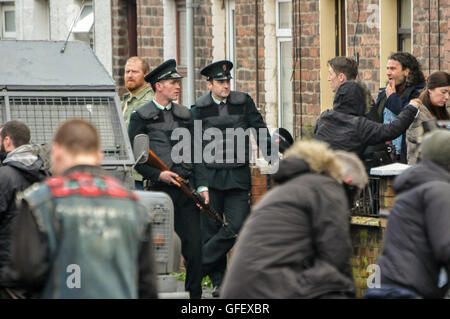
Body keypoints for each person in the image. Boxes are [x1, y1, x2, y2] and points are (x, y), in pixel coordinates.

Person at [0, 119, 158, 299]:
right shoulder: (135, 206)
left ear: (57, 152)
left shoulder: (39, 202)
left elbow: (24, 273)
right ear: (99, 156)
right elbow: (147, 285)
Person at [220, 140, 368, 299]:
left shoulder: (288, 190)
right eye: (354, 197)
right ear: (348, 183)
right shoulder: (328, 189)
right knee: (335, 284)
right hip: (270, 288)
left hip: (240, 291)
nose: (350, 205)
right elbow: (336, 259)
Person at [191, 60, 273, 297]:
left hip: (237, 175)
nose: (226, 85)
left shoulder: (243, 102)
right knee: (212, 229)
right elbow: (194, 148)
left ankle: (201, 264)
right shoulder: (198, 109)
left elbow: (259, 128)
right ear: (209, 84)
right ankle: (220, 282)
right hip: (210, 177)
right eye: (220, 82)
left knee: (237, 226)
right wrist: (199, 182)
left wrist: (271, 156)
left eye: (228, 81)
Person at [128, 59, 203, 299]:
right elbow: (136, 157)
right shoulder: (140, 116)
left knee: (194, 248)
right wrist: (158, 173)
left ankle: (195, 298)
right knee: (149, 248)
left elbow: (197, 154)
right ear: (158, 86)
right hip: (157, 192)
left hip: (185, 190)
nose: (177, 86)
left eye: (178, 82)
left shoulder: (186, 115)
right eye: (172, 82)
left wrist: (202, 187)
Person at [364, 129, 450, 299]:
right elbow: (446, 247)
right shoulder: (438, 190)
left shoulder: (413, 188)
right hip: (409, 289)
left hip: (386, 285)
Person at [0, 121, 47, 299]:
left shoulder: (5, 176)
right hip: (36, 266)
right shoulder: (44, 173)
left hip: (7, 272)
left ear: (7, 141)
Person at [314, 80, 419, 160]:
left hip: (318, 169)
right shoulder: (359, 125)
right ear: (360, 102)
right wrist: (411, 107)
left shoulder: (324, 117)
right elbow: (391, 130)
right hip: (342, 176)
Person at [366, 52, 426, 163]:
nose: (388, 73)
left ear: (406, 71)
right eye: (387, 68)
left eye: (393, 69)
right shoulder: (385, 93)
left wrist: (393, 98)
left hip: (405, 154)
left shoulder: (418, 93)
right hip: (385, 154)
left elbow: (408, 115)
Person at [121, 56, 154, 190]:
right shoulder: (127, 99)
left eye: (135, 72)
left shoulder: (147, 101)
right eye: (127, 71)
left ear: (146, 75)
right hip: (125, 171)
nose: (130, 75)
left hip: (138, 174)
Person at [406, 71, 450, 164]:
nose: (447, 97)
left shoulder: (444, 111)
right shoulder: (417, 112)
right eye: (443, 92)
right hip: (421, 170)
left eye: (449, 93)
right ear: (430, 89)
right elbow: (419, 137)